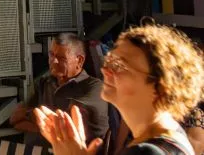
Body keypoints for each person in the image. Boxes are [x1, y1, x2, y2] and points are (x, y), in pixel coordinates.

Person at [38, 23, 204, 155]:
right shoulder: (168, 136)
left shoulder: (147, 152)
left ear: (160, 86)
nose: (105, 70)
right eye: (109, 60)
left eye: (119, 65)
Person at [10, 33, 106, 144]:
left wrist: (28, 116)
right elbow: (15, 120)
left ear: (79, 60)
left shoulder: (94, 87)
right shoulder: (44, 83)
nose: (54, 61)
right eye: (51, 55)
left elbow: (67, 125)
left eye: (61, 58)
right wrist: (45, 128)